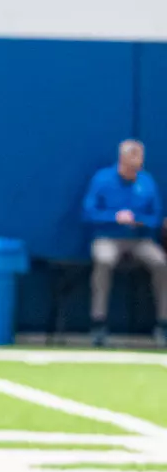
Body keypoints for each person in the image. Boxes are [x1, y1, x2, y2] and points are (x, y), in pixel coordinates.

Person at [82, 139, 167, 347]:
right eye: (130, 166)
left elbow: (156, 218)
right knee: (104, 260)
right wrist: (114, 217)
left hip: (140, 239)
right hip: (107, 237)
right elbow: (88, 213)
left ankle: (163, 324)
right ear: (121, 160)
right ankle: (98, 323)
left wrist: (139, 220)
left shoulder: (146, 182)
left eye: (137, 166)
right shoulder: (102, 179)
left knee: (160, 262)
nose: (134, 170)